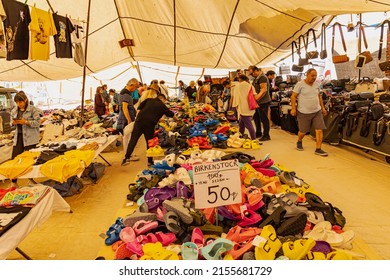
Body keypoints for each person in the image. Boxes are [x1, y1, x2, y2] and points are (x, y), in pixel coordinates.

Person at [121, 94, 175, 166]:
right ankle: (149, 161)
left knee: (133, 139)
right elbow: (171, 114)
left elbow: (139, 109)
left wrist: (140, 118)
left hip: (139, 122)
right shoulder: (161, 105)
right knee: (149, 142)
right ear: (162, 99)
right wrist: (177, 120)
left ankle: (126, 158)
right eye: (164, 101)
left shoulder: (148, 100)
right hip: (149, 124)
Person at [290, 68, 328, 156]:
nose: (314, 77)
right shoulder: (300, 84)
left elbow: (319, 96)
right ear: (307, 74)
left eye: (315, 76)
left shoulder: (317, 84)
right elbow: (293, 96)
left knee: (319, 130)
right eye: (312, 75)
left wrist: (322, 108)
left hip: (316, 111)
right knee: (303, 131)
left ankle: (318, 149)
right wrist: (293, 108)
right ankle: (299, 141)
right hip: (303, 112)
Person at [10, 91, 41, 187]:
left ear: (25, 100)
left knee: (30, 160)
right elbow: (11, 125)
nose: (19, 104)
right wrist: (13, 123)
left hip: (30, 138)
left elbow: (38, 123)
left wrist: (26, 122)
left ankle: (30, 180)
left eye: (21, 102)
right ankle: (14, 181)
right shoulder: (14, 110)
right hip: (18, 138)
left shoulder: (33, 110)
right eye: (17, 102)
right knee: (15, 159)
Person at [249, 65, 271, 141]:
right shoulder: (256, 78)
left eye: (252, 73)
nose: (251, 75)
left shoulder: (262, 78)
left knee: (264, 118)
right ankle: (258, 132)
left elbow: (263, 90)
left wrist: (257, 99)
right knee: (256, 118)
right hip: (257, 102)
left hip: (263, 102)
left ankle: (266, 135)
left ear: (256, 70)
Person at [232, 74, 256, 139]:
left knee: (249, 125)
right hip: (249, 106)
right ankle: (240, 136)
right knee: (241, 123)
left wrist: (235, 106)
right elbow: (254, 95)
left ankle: (254, 139)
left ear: (240, 79)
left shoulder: (237, 86)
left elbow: (236, 97)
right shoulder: (250, 86)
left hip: (242, 107)